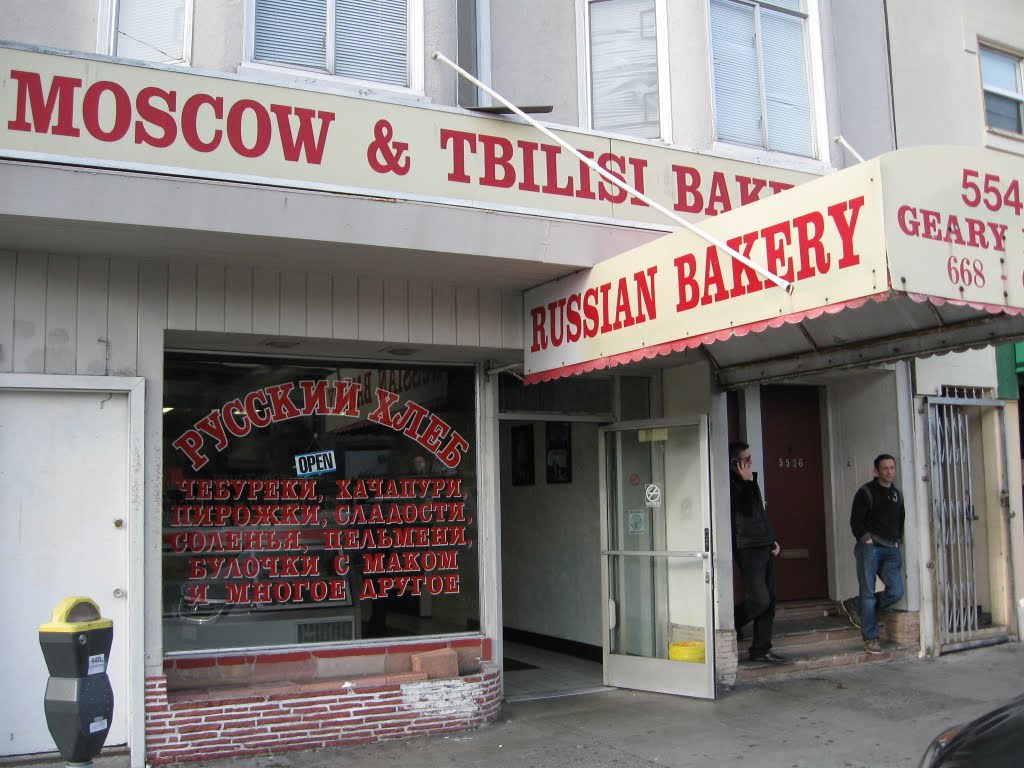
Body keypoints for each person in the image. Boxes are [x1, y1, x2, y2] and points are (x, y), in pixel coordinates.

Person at [839, 453, 906, 654]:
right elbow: (856, 520)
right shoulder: (866, 492)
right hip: (870, 547)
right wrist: (865, 538)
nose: (889, 472)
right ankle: (871, 638)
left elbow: (900, 519)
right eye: (885, 468)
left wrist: (898, 540)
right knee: (868, 593)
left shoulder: (897, 495)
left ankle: (856, 605)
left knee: (896, 591)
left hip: (891, 549)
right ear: (876, 471)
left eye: (892, 468)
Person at [730, 440, 786, 664]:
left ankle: (762, 649)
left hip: (763, 543)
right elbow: (741, 510)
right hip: (746, 546)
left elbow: (759, 512)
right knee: (760, 599)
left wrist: (772, 538)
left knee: (769, 600)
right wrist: (745, 483)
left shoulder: (751, 480)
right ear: (735, 462)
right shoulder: (728, 482)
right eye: (747, 459)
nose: (751, 462)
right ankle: (733, 619)